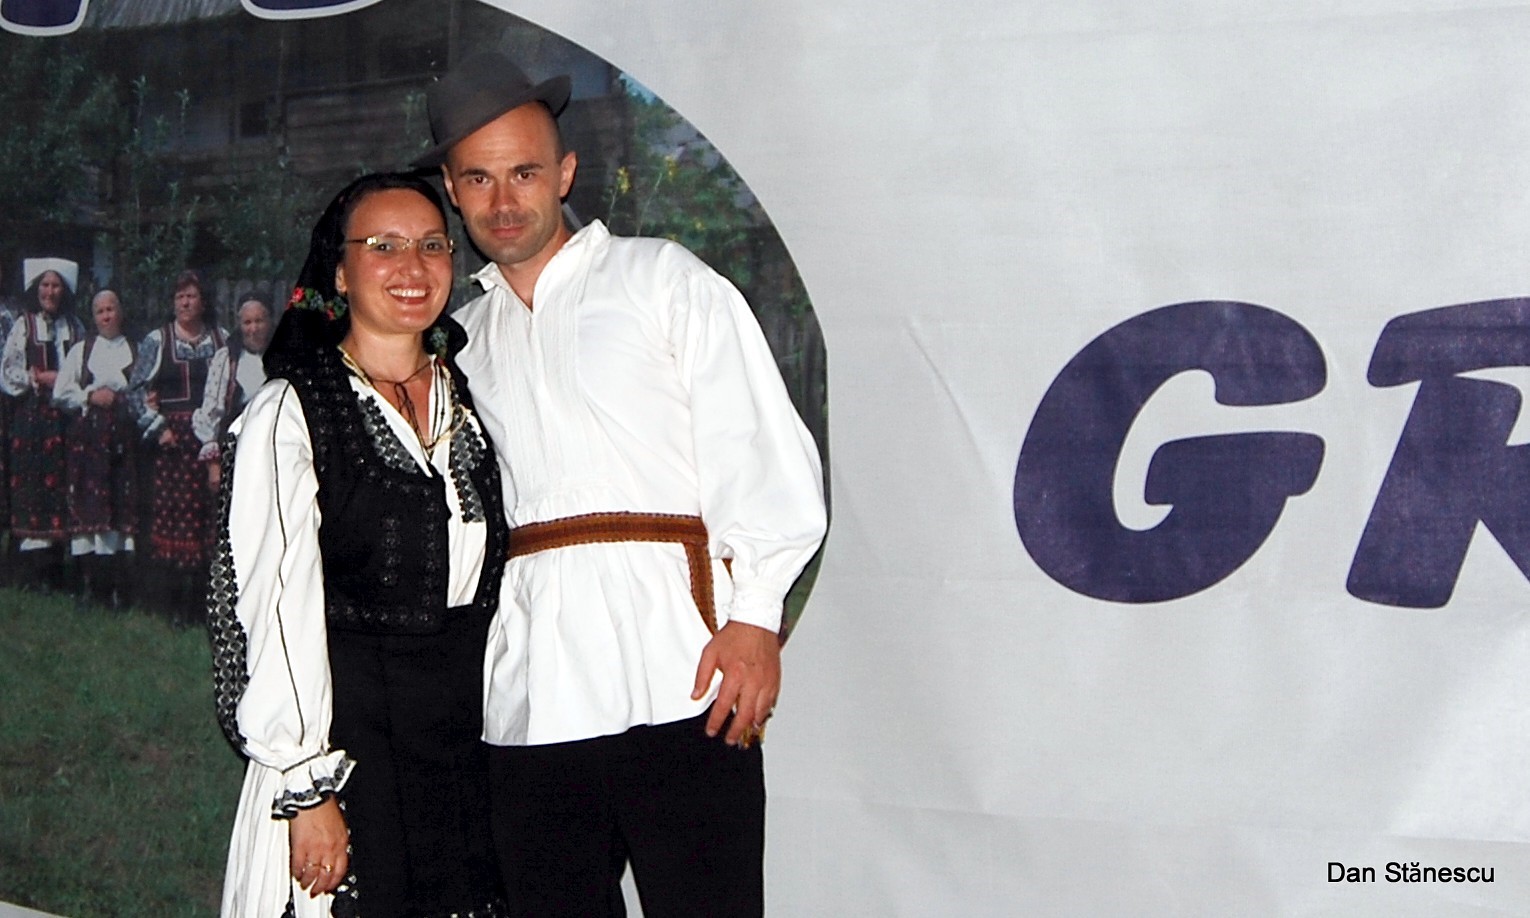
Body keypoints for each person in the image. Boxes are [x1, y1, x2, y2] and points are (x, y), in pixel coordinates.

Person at [416, 50, 828, 915]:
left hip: (683, 675)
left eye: (524, 172)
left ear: (565, 173)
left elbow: (754, 442)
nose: (503, 200)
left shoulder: (660, 279)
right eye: (479, 178)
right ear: (452, 191)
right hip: (533, 701)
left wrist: (756, 616)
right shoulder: (461, 342)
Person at [210, 172, 510, 918]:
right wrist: (305, 784)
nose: (413, 267)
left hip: (464, 743)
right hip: (350, 744)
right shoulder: (291, 411)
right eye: (383, 246)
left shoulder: (474, 400)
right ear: (340, 272)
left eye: (432, 245)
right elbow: (271, 607)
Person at [126, 269, 227, 620]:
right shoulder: (158, 340)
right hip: (171, 444)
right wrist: (157, 428)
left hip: (209, 443)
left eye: (191, 296)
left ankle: (202, 603)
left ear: (203, 301)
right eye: (180, 297)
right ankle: (169, 605)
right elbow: (135, 391)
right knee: (170, 519)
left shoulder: (222, 340)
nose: (185, 303)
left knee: (207, 518)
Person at [2, 258, 87, 589]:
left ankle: (55, 569)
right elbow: (8, 371)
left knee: (62, 488)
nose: (50, 292)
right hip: (32, 420)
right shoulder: (24, 325)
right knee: (30, 488)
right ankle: (27, 571)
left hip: (65, 419)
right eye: (45, 285)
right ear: (36, 290)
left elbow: (85, 369)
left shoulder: (75, 327)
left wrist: (60, 380)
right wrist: (34, 378)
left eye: (56, 286)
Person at [54, 289, 138, 608]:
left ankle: (117, 588)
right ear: (94, 317)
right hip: (88, 443)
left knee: (119, 506)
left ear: (121, 312)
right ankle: (89, 586)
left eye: (110, 309)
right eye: (100, 311)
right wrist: (90, 396)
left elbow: (144, 389)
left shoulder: (136, 349)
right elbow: (61, 393)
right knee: (88, 507)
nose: (106, 316)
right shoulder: (82, 349)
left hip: (122, 441)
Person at [193, 293, 274, 491]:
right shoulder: (226, 359)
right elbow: (211, 411)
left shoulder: (285, 356)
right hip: (237, 450)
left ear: (270, 321)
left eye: (259, 321)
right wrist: (214, 465)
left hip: (276, 449)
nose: (253, 329)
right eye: (247, 322)